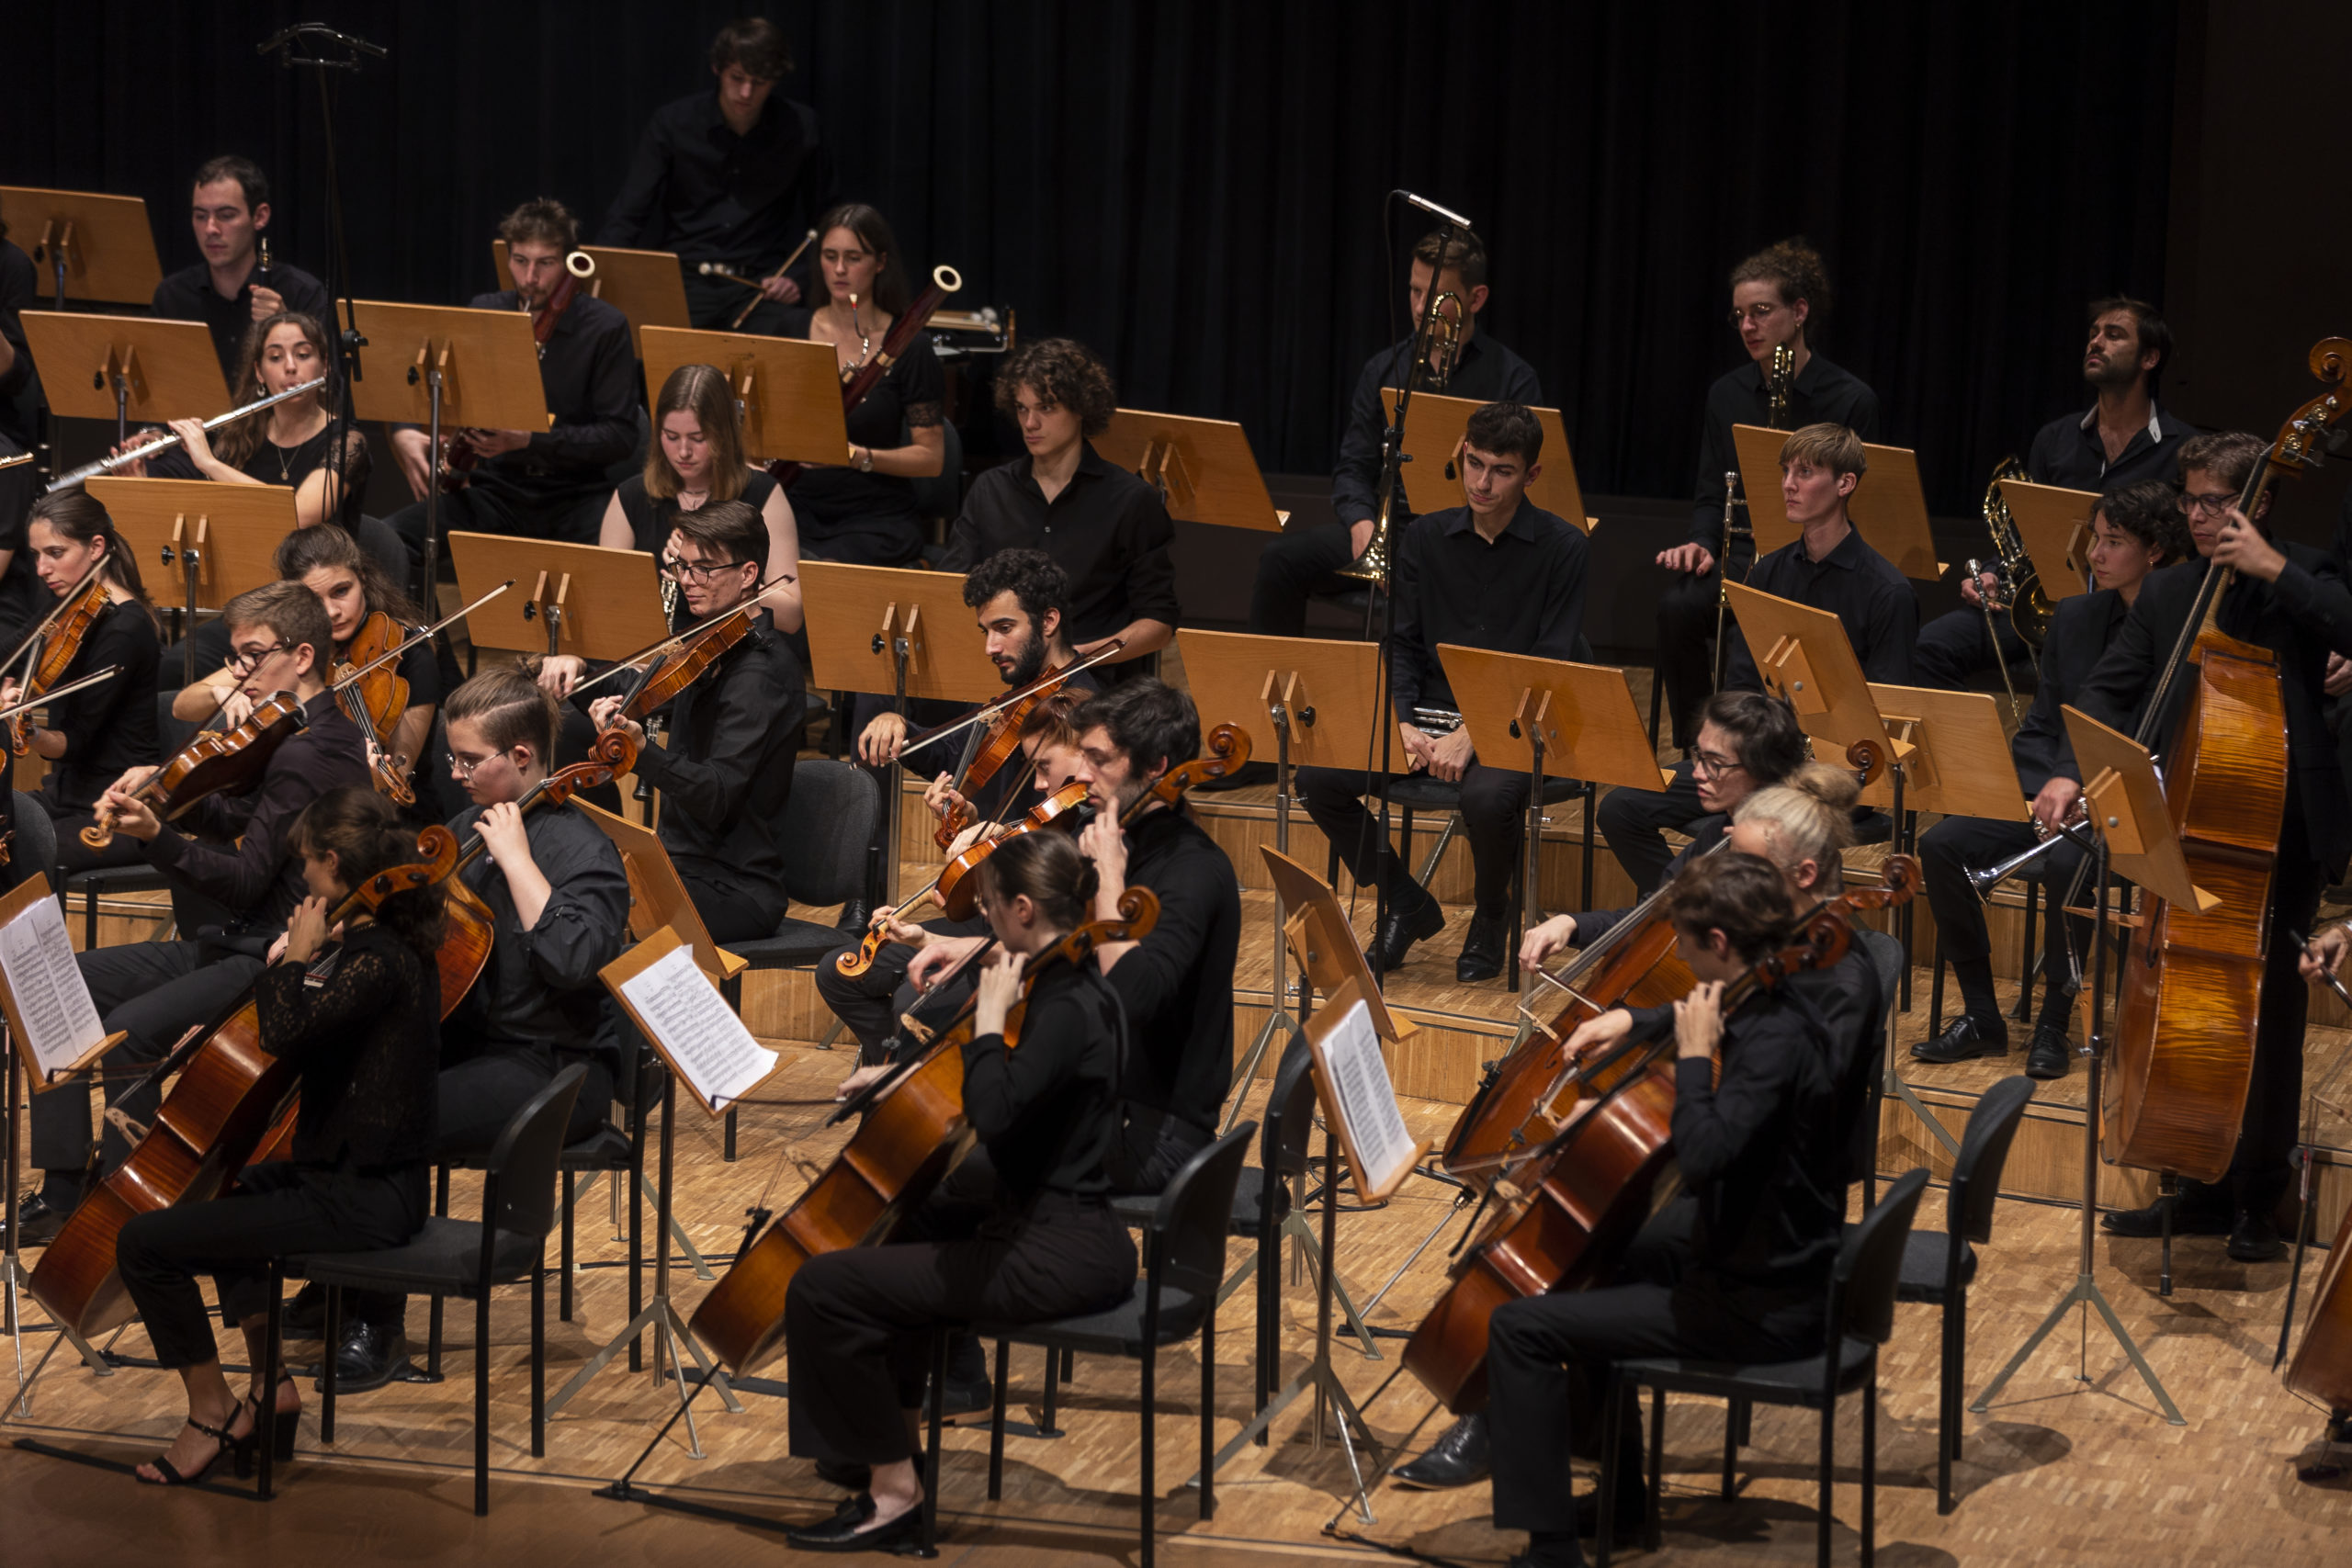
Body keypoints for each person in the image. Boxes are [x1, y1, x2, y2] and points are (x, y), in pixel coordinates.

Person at [1399, 752, 1869, 1494]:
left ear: (1802, 876)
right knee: (1596, 1243)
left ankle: (1541, 1500)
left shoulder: (1827, 988)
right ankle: (1605, 1472)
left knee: (1568, 1276)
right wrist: (1640, 1025)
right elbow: (1734, 1019)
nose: (1726, 875)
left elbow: (1750, 1115)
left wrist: (1673, 1079)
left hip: (1763, 1241)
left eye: (1743, 866)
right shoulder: (1778, 961)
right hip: (1756, 1214)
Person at [1485, 852, 1846, 1565]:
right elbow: (1709, 1076)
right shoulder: (1774, 1001)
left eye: (1683, 939)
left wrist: (1694, 1058)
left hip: (1758, 1302)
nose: (1676, 953)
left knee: (1518, 1328)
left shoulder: (1771, 1043)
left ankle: (1550, 1552)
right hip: (1769, 1257)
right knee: (1597, 1257)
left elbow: (1706, 1156)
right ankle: (1621, 1498)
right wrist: (1633, 1055)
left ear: (1720, 943)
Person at [780, 830, 1137, 1551]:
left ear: (1025, 909)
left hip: (1050, 1253)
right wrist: (899, 1079)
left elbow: (996, 1112)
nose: (985, 925)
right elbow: (1014, 1090)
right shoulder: (1075, 986)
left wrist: (987, 1022)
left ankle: (893, 1495)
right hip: (1070, 1232)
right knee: (908, 1226)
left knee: (821, 1286)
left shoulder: (1061, 1004)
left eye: (990, 909)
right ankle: (886, 1448)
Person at [8, 582, 368, 1247]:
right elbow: (238, 816)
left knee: (129, 1031)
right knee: (56, 984)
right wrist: (163, 786)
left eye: (254, 655)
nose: (240, 673)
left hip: (274, 953)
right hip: (233, 940)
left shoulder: (311, 751)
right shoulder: (294, 732)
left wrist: (157, 835)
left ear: (303, 656)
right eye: (236, 657)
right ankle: (64, 1188)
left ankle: (131, 1216)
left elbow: (245, 881)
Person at [110, 788, 442, 1486]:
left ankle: (211, 1413)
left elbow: (288, 1030)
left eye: (307, 866)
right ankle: (271, 1385)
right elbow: (301, 1044)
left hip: (360, 1198)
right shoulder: (380, 949)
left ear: (332, 863)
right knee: (226, 1192)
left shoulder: (377, 962)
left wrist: (295, 958)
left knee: (144, 1244)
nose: (302, 881)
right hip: (361, 1184)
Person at [2077, 433, 2352, 1261]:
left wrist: (2273, 568)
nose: (2196, 516)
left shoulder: (2305, 574)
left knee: (2266, 1015)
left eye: (2215, 502)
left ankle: (2257, 1198)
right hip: (2186, 819)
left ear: (2257, 502)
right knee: (2186, 1001)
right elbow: (2110, 687)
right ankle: (2193, 1173)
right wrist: (2080, 767)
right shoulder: (2170, 591)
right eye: (2189, 499)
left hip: (2279, 827)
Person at [326, 667, 629, 1386]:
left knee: (385, 1116)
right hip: (470, 1043)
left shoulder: (584, 850)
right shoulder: (464, 829)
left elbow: (572, 959)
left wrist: (519, 863)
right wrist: (340, 934)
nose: (454, 774)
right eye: (452, 758)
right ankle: (341, 1274)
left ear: (521, 757)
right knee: (333, 1090)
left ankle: (378, 1323)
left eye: (468, 760)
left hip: (555, 1066)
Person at [1293, 402, 1588, 980]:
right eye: (1474, 463)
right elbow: (1401, 643)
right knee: (1316, 778)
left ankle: (1493, 911)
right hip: (1425, 713)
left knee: (1487, 798)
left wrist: (1474, 733)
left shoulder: (1565, 547)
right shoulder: (1425, 537)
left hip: (1517, 721)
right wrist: (1400, 720)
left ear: (1530, 475)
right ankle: (1405, 899)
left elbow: (1550, 664)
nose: (1482, 483)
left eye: (1502, 471)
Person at [909, 679, 1238, 1194]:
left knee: (952, 1175)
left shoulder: (1191, 870)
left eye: (1099, 760)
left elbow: (1131, 999)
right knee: (931, 1136)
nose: (1081, 775)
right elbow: (1074, 955)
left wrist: (1108, 880)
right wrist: (967, 948)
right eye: (1082, 756)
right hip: (1093, 1099)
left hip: (1151, 1133)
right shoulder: (1118, 839)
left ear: (1155, 766)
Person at [1912, 480, 2188, 1077]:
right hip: (2054, 792)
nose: (2095, 554)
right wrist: (2040, 792)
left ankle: (2053, 1024)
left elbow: (2168, 737)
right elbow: (2042, 723)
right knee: (1941, 845)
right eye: (2096, 538)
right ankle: (1982, 1016)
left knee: (2069, 865)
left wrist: (2092, 791)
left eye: (2114, 542)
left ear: (2156, 551)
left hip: (2138, 807)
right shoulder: (2075, 617)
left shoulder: (2184, 628)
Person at [1600, 423, 1915, 897]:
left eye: (1805, 473)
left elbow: (1884, 716)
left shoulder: (1888, 591)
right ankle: (1682, 908)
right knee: (1621, 807)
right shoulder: (1768, 571)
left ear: (1845, 484)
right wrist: (1734, 756)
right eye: (1786, 471)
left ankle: (1709, 915)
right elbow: (1744, 684)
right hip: (1758, 760)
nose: (1788, 484)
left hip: (1832, 775)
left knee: (1737, 831)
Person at [1249, 227, 1542, 637]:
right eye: (1415, 291)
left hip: (1469, 538)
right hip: (1392, 529)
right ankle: (1273, 677)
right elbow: (1353, 466)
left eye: (1436, 296)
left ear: (1476, 299)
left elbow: (1522, 487)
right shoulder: (1384, 369)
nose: (1421, 308)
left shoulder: (1513, 380)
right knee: (1281, 560)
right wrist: (1361, 525)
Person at [1652, 240, 1881, 750]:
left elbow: (1860, 503)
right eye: (1739, 316)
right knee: (1677, 607)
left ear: (1799, 312)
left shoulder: (1850, 399)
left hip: (1818, 561)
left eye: (1761, 311)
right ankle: (1701, 745)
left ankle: (1789, 747)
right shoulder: (1726, 394)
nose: (1748, 326)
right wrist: (1702, 543)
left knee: (1752, 627)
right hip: (1744, 555)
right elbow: (1712, 490)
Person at [1914, 299, 2199, 693]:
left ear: (2150, 358)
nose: (2095, 342)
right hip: (2047, 602)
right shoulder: (2055, 439)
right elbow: (2027, 535)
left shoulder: (2184, 449)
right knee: (1929, 648)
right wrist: (1994, 572)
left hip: (2131, 614)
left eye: (2114, 335)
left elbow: (2189, 551)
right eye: (2093, 334)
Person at [821, 688, 1088, 1070]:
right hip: (996, 924)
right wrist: (975, 825)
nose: (1039, 784)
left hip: (1026, 941)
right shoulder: (1059, 799)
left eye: (1044, 766)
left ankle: (908, 1077)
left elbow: (1050, 913)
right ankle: (893, 1070)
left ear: (1088, 750)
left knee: (914, 1004)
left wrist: (1003, 843)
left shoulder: (1101, 822)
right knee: (836, 972)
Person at [588, 500, 804, 943]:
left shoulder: (760, 676)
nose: (687, 580)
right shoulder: (709, 646)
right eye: (682, 566)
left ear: (748, 575)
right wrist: (584, 682)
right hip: (679, 864)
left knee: (601, 916)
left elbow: (716, 796)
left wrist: (642, 752)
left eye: (703, 569)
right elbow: (652, 694)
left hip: (734, 886)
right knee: (580, 884)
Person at [386, 198, 637, 558]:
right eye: (520, 261)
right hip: (497, 492)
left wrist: (530, 441)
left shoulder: (604, 326)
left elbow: (620, 437)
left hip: (576, 496)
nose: (530, 278)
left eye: (545, 263)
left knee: (628, 560)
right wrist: (404, 430)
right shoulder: (486, 311)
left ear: (568, 262)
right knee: (388, 540)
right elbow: (430, 382)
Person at [934, 338, 1177, 670]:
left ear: (1081, 408)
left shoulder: (1131, 500)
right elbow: (951, 590)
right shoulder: (990, 490)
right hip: (999, 670)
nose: (1029, 423)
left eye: (1046, 408)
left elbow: (1159, 622)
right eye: (1022, 408)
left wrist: (1078, 659)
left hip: (1092, 677)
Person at [171, 526, 442, 813]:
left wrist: (369, 771)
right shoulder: (295, 647)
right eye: (315, 600)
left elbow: (399, 771)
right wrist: (220, 694)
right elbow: (181, 706)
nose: (332, 612)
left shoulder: (406, 653)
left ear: (362, 578)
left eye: (341, 591)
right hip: (300, 801)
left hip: (382, 816)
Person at [599, 17, 834, 335]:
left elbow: (828, 221)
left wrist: (797, 277)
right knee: (650, 351)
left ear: (775, 80)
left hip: (761, 285)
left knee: (788, 352)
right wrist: (599, 277)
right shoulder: (674, 123)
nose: (746, 92)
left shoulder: (801, 128)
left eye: (760, 81)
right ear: (717, 69)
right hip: (686, 281)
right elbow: (629, 213)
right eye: (737, 78)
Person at [112, 310, 375, 536]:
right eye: (275, 357)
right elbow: (195, 514)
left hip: (318, 573)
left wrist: (209, 464)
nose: (290, 366)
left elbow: (299, 516)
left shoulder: (348, 442)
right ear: (259, 372)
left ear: (325, 366)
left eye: (303, 355)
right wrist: (141, 483)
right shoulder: (239, 435)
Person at [9, 491, 164, 874]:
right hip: (64, 796)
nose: (42, 569)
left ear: (96, 547)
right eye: (36, 555)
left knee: (11, 855)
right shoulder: (67, 602)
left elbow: (74, 742)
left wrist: (28, 731)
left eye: (55, 553)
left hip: (113, 809)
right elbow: (11, 652)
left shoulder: (124, 628)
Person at [787, 204, 944, 567]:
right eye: (830, 256)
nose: (840, 269)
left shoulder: (911, 346)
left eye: (854, 258)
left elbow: (931, 459)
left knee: (822, 572)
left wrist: (856, 457)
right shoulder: (789, 329)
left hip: (875, 515)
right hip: (796, 504)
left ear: (880, 262)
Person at [595, 360, 803, 632]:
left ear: (724, 434)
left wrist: (721, 576)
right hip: (656, 646)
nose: (683, 451)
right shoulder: (630, 496)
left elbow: (792, 617)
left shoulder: (763, 493)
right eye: (671, 436)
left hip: (738, 647)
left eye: (698, 438)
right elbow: (606, 603)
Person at [150, 156, 331, 390]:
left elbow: (329, 390)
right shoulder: (172, 296)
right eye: (201, 216)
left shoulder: (303, 292)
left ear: (260, 216)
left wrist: (286, 326)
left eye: (226, 215)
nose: (211, 229)